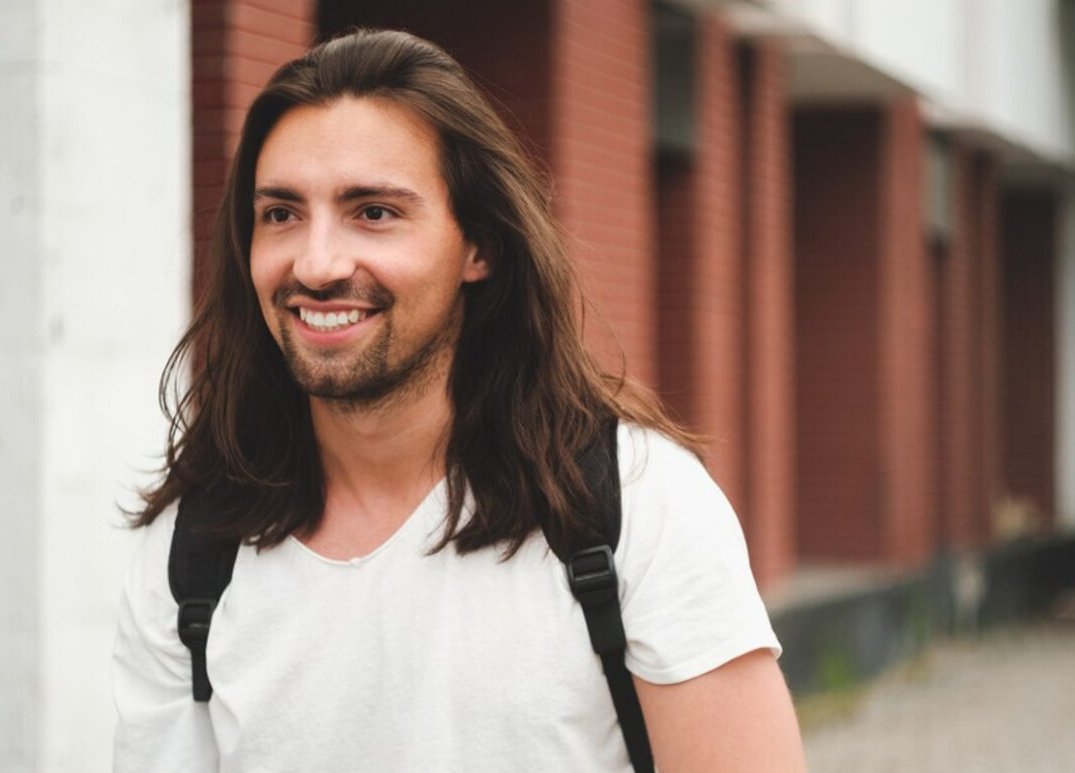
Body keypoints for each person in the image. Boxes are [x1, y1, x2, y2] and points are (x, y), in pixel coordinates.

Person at [113, 28, 806, 772]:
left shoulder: (633, 501)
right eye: (281, 213)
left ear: (480, 246)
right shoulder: (194, 547)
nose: (315, 263)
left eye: (373, 211)